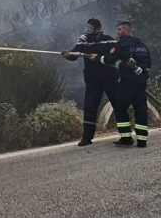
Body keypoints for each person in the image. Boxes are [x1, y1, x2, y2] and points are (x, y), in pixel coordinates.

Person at [61, 18, 118, 147]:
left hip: (109, 77)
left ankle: (124, 133)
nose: (88, 31)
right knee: (90, 107)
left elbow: (115, 54)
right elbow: (74, 54)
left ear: (98, 29)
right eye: (87, 28)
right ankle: (87, 138)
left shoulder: (108, 39)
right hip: (92, 80)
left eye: (91, 28)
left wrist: (99, 57)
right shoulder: (84, 42)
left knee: (117, 103)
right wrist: (67, 54)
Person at [108, 19, 152, 147]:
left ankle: (126, 138)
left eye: (119, 29)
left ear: (126, 30)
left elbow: (110, 59)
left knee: (120, 108)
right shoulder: (142, 45)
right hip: (140, 83)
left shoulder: (121, 44)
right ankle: (142, 140)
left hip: (127, 83)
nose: (117, 32)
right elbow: (149, 64)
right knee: (140, 110)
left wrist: (98, 58)